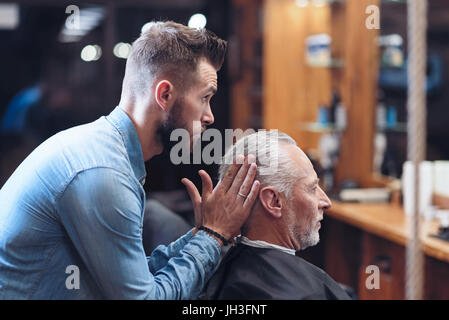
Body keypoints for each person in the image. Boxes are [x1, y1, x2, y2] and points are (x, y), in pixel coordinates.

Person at [0, 21, 260, 299]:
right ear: (165, 95)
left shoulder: (105, 152)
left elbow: (130, 277)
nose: (209, 116)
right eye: (204, 98)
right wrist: (213, 235)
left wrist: (202, 236)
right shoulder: (103, 173)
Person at [201, 131, 352, 300]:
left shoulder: (219, 274)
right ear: (273, 201)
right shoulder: (309, 293)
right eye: (312, 188)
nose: (326, 202)